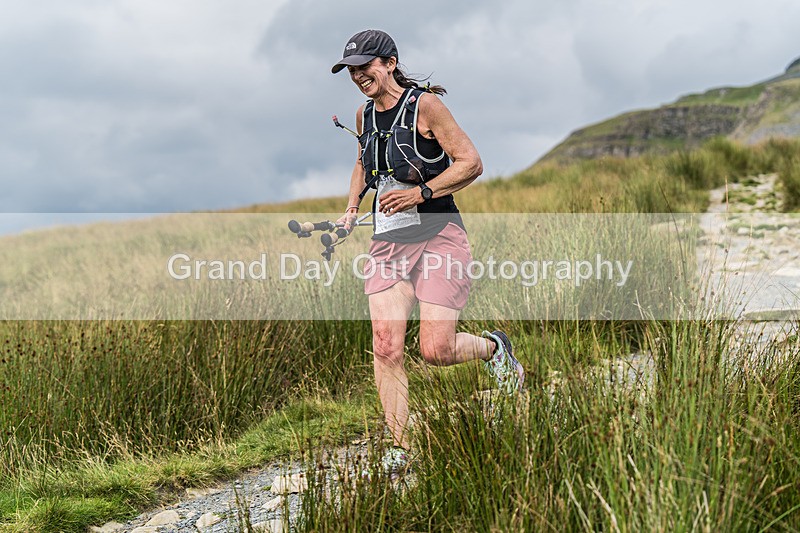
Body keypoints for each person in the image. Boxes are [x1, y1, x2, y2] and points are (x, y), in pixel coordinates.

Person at [331, 29, 524, 475]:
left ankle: (496, 350)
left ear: (390, 63)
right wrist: (351, 207)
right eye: (352, 70)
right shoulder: (364, 115)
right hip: (388, 243)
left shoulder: (426, 107)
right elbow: (364, 160)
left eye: (366, 66)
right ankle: (403, 449)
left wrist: (421, 193)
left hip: (439, 235)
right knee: (385, 345)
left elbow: (471, 162)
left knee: (435, 350)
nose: (360, 75)